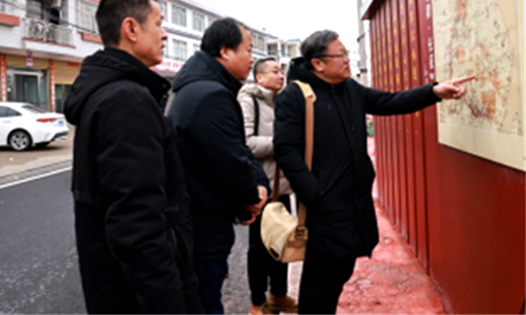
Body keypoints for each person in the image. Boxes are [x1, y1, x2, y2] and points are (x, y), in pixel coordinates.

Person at [274, 29, 474, 315]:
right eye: (340, 55)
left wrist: (434, 91)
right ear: (318, 63)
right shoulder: (295, 96)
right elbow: (285, 150)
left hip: (355, 201)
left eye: (347, 54)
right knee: (320, 283)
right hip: (325, 206)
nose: (347, 60)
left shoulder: (350, 89)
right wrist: (315, 193)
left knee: (339, 272)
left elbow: (390, 102)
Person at [64, 0, 203, 315]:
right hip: (139, 299)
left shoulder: (107, 94)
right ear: (131, 28)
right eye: (158, 23)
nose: (165, 35)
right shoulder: (127, 100)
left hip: (115, 289)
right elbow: (137, 224)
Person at [167, 17, 270, 315]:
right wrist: (251, 199)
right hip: (202, 227)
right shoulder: (210, 95)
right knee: (207, 303)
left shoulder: (196, 88)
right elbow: (229, 162)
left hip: (197, 218)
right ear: (225, 51)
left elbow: (233, 151)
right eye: (248, 50)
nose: (253, 58)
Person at [237, 58, 298, 315]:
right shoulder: (248, 100)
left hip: (281, 187)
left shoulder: (283, 102)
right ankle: (257, 301)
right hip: (260, 187)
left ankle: (279, 294)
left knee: (281, 241)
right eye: (274, 71)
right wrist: (282, 143)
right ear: (259, 77)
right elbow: (246, 142)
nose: (280, 75)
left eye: (281, 71)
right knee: (259, 249)